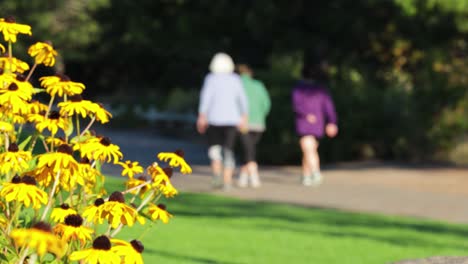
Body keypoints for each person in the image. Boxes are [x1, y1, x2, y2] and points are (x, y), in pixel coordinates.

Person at [196, 52, 248, 190]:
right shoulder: (235, 79)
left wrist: (202, 116)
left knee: (215, 150)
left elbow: (205, 99)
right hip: (232, 120)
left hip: (213, 120)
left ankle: (217, 175)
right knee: (228, 151)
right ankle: (227, 181)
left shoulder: (210, 79)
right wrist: (244, 117)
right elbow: (242, 100)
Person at [292, 61, 338, 186]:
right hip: (317, 123)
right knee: (310, 149)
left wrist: (306, 115)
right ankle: (306, 176)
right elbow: (329, 108)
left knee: (308, 148)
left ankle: (315, 172)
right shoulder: (320, 89)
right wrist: (332, 122)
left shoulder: (300, 89)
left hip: (305, 123)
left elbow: (296, 105)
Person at [236, 64, 271, 188]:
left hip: (243, 123)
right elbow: (266, 103)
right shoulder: (258, 85)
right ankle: (244, 177)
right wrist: (261, 116)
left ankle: (253, 175)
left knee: (248, 150)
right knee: (250, 149)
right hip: (258, 123)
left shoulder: (238, 86)